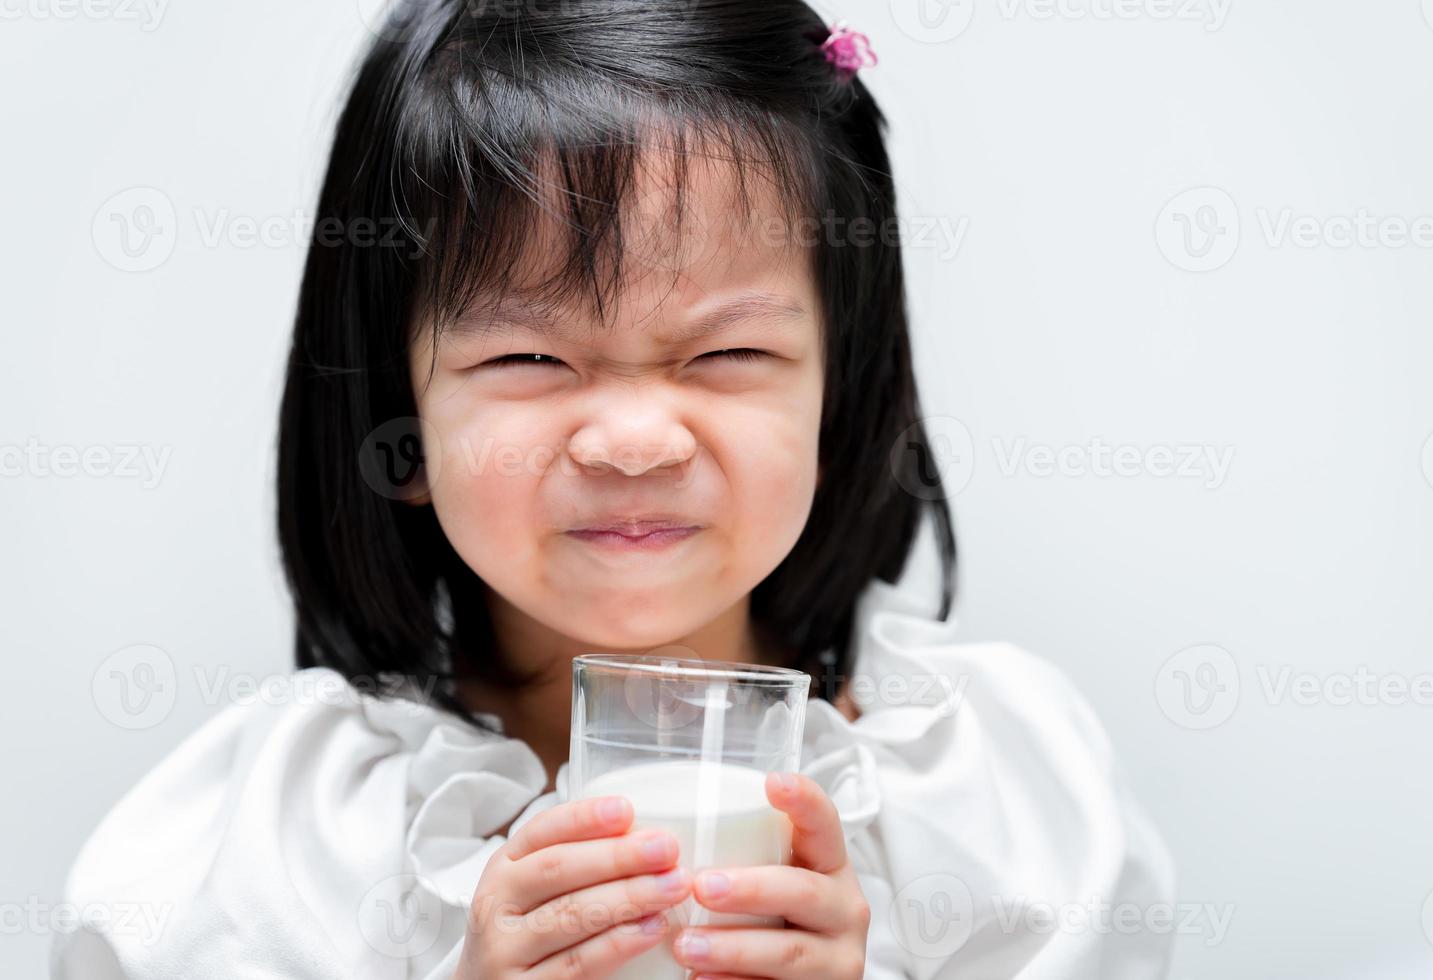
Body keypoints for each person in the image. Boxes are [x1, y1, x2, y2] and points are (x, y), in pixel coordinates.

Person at [53, 2, 1175, 977]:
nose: (635, 439)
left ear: (839, 400)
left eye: (727, 356)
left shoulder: (989, 795)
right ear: (397, 423)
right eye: (530, 361)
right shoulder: (272, 850)